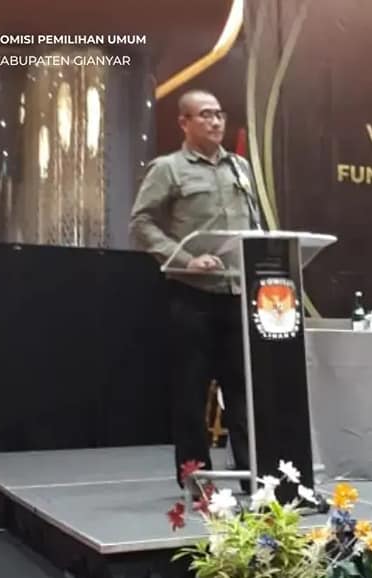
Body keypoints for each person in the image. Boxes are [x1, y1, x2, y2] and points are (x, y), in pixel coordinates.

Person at [130, 89, 261, 495]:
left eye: (219, 114)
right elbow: (141, 223)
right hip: (192, 296)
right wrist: (184, 258)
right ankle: (197, 479)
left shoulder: (239, 167)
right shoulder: (169, 168)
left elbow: (254, 222)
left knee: (243, 393)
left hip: (236, 293)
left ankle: (255, 476)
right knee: (191, 393)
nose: (216, 121)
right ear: (184, 123)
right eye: (205, 115)